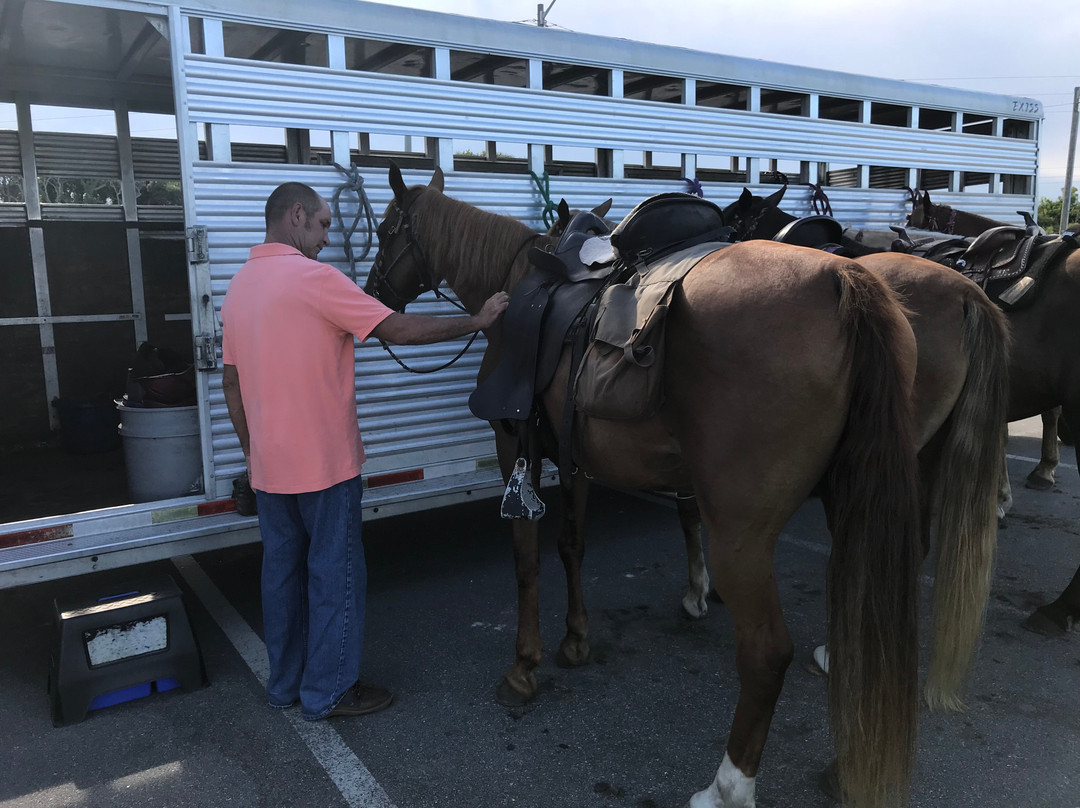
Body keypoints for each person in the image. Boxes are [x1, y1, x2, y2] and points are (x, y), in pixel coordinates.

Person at [221, 181, 509, 720]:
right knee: (335, 575)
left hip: (270, 471)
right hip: (325, 467)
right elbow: (395, 327)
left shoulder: (239, 287)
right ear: (297, 216)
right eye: (325, 224)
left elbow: (232, 384)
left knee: (282, 576)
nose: (328, 238)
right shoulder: (315, 280)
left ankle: (284, 685)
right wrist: (476, 321)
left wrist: (254, 453)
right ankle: (330, 691)